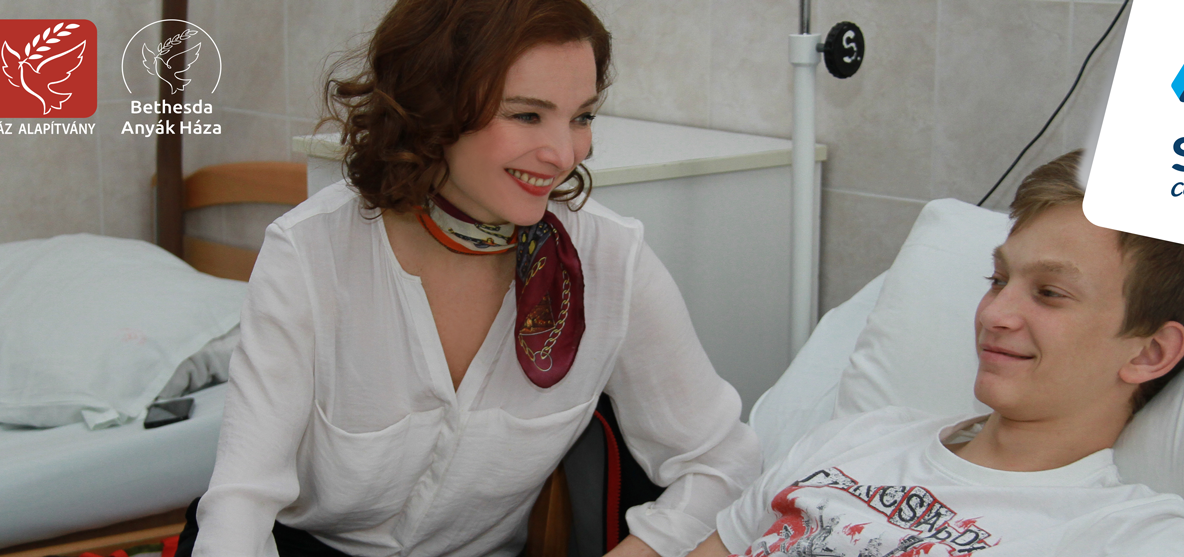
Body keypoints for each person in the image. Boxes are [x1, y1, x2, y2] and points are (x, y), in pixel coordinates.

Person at [181, 1, 760, 557]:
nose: (564, 154)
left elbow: (723, 461)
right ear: (435, 106)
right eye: (526, 115)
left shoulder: (612, 262)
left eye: (581, 117)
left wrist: (641, 550)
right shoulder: (311, 253)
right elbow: (241, 505)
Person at [686, 150, 1184, 557]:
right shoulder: (856, 440)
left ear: (1149, 353)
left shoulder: (1127, 536)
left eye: (1049, 293)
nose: (995, 313)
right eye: (998, 279)